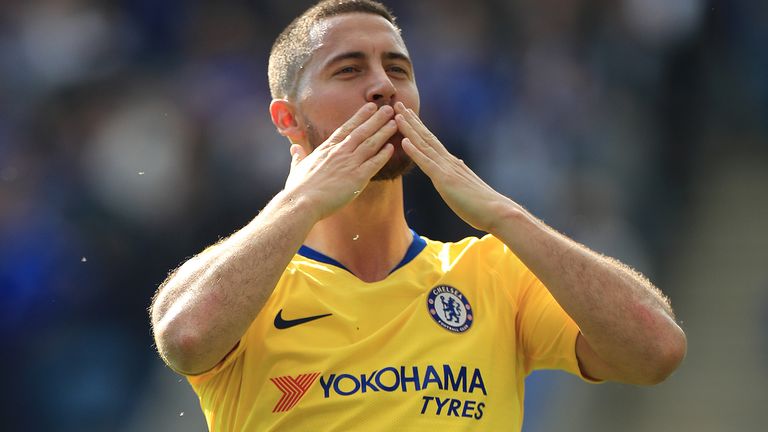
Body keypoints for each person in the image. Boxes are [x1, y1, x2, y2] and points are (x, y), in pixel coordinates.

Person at [150, 1, 687, 430]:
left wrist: (504, 215)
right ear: (288, 118)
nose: (384, 85)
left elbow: (655, 350)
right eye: (349, 69)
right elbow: (187, 339)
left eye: (398, 69)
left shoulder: (493, 272)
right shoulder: (249, 284)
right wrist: (304, 200)